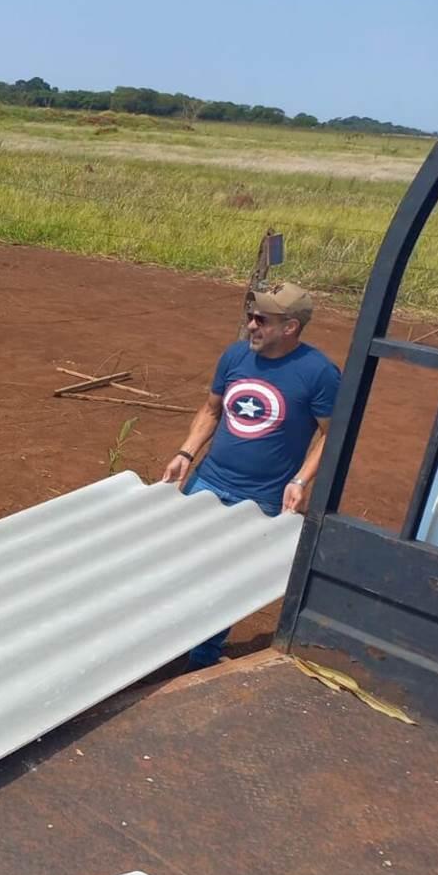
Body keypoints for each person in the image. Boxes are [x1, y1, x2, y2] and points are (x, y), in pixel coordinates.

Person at [160, 282, 340, 669]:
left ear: (290, 327)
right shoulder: (235, 356)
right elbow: (211, 410)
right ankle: (164, 643)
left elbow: (331, 435)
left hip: (263, 497)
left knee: (227, 579)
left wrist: (300, 480)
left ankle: (202, 656)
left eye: (261, 319)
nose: (251, 325)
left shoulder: (320, 373)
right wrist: (185, 453)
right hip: (208, 479)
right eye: (250, 316)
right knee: (178, 563)